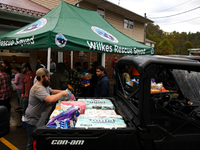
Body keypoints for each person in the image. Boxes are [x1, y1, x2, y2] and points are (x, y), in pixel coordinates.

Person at [23, 68, 69, 150]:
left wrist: (64, 91)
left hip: (39, 118)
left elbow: (52, 91)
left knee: (39, 143)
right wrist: (62, 93)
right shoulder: (37, 88)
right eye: (47, 76)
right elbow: (50, 99)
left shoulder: (44, 86)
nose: (49, 78)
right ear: (41, 77)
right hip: (32, 121)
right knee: (32, 144)